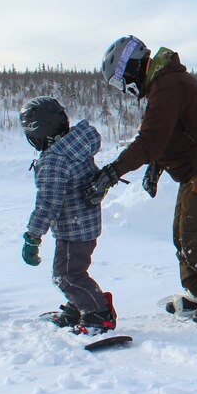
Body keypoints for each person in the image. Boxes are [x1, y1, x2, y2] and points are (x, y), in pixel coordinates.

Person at [83, 36, 197, 328]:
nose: (124, 89)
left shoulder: (167, 86)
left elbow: (149, 141)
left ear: (132, 68)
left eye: (120, 81)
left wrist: (113, 171)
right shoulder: (163, 85)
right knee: (182, 235)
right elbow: (171, 134)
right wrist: (156, 168)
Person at [19, 96, 117, 335]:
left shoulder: (54, 160)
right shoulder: (72, 146)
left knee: (67, 276)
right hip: (84, 224)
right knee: (73, 271)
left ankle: (98, 314)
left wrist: (33, 236)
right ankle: (78, 307)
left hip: (74, 229)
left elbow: (47, 203)